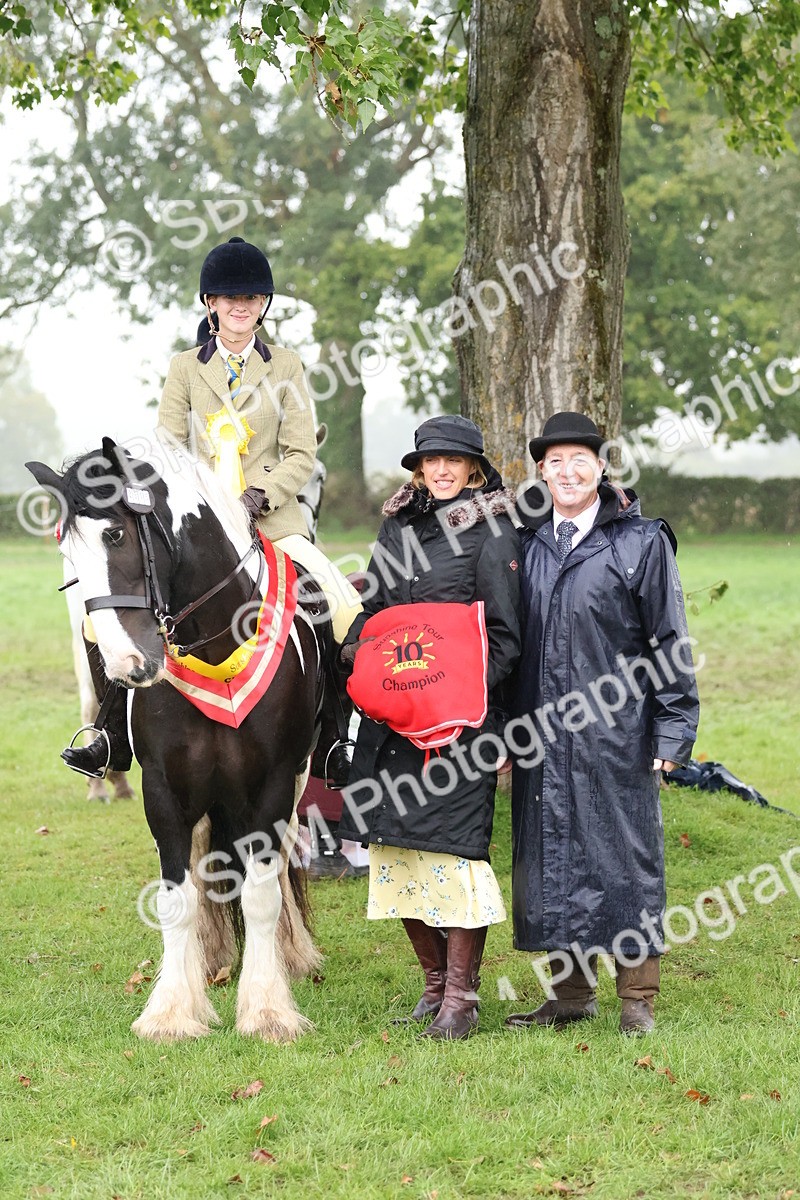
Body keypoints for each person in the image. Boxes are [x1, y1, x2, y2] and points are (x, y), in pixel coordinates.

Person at [62, 236, 361, 786]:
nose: (239, 306)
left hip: (274, 524)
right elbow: (168, 448)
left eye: (250, 297)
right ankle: (107, 738)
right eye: (228, 297)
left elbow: (301, 454)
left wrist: (258, 495)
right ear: (211, 305)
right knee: (96, 615)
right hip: (196, 532)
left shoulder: (288, 367)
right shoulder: (184, 369)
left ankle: (336, 741)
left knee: (340, 606)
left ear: (263, 305)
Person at [505, 411, 700, 1036]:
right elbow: (509, 649)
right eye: (554, 462)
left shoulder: (640, 542)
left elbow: (669, 639)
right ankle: (569, 996)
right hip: (541, 731)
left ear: (600, 465)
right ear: (541, 471)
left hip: (618, 732)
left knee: (625, 858)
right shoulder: (528, 546)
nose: (567, 471)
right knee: (552, 854)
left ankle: (637, 997)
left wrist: (673, 732)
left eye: (579, 460)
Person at [337, 415, 522, 1040]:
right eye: (430, 461)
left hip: (462, 726)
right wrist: (357, 648)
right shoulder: (400, 526)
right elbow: (377, 606)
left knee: (456, 851)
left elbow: (504, 638)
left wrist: (455, 699)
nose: (441, 471)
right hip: (394, 717)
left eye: (454, 460)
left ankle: (463, 1001)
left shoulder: (495, 531)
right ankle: (435, 985)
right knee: (395, 847)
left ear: (474, 468)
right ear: (419, 468)